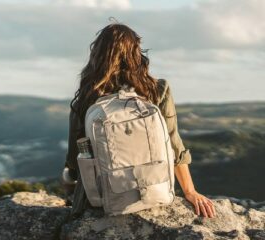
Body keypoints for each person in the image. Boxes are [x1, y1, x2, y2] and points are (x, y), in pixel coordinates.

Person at [63, 22, 216, 218]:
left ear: (97, 55)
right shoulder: (157, 89)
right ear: (136, 53)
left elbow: (74, 159)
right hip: (151, 191)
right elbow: (174, 145)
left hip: (97, 202)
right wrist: (190, 192)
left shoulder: (87, 96)